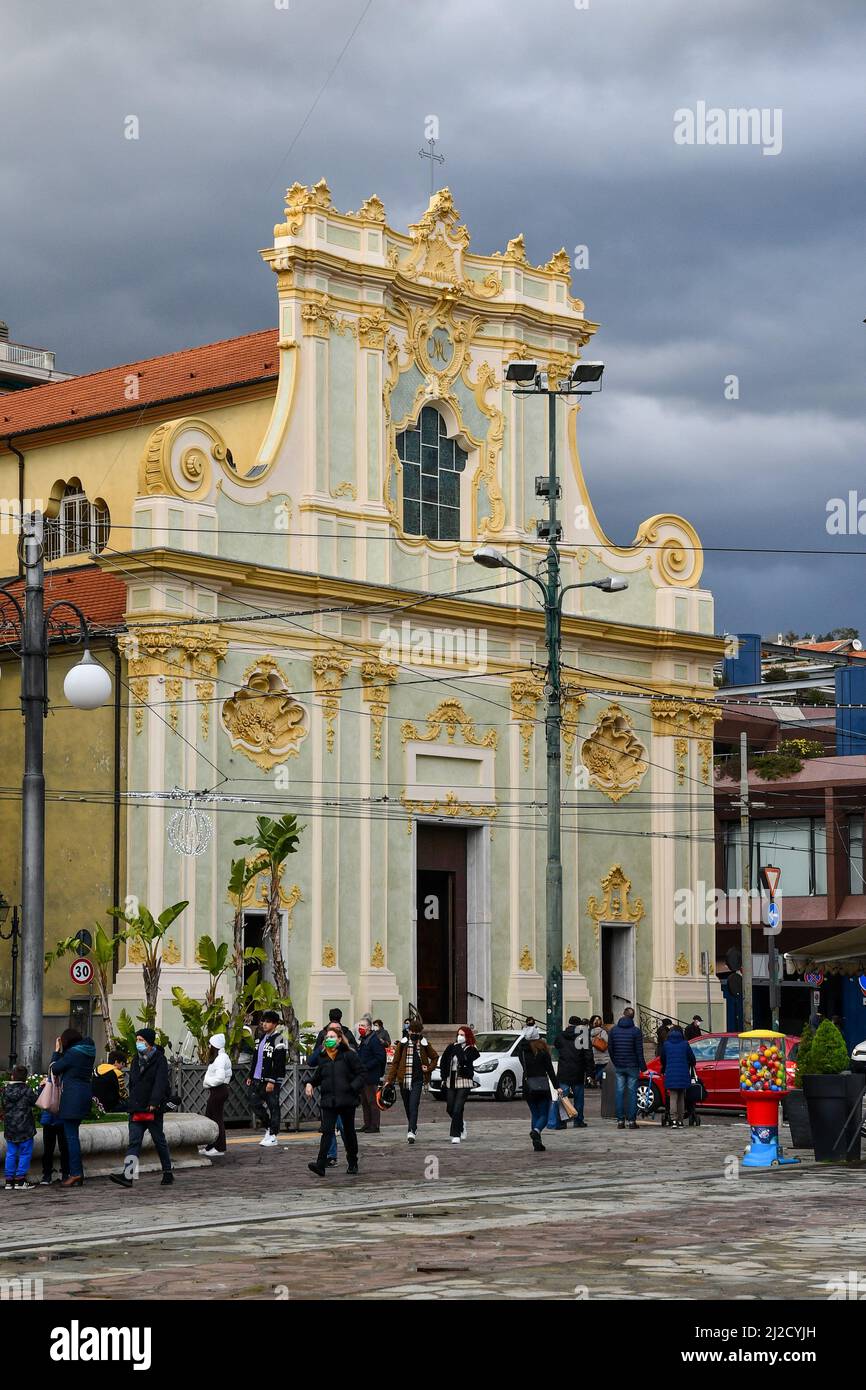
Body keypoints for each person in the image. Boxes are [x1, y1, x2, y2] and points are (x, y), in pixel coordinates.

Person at [110, 1028, 173, 1188]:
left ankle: (167, 1172)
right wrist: (131, 1103)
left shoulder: (160, 1060)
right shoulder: (136, 1060)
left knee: (159, 1140)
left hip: (153, 1108)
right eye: (137, 1039)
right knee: (134, 1142)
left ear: (149, 1043)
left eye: (141, 1040)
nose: (138, 1043)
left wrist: (154, 1102)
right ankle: (128, 1176)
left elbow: (160, 1082)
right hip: (136, 1107)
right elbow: (133, 1084)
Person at [304, 1023, 365, 1176]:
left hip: (347, 1100)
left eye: (332, 1037)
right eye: (327, 1037)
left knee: (348, 1132)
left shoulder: (349, 1055)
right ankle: (320, 1164)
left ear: (339, 1039)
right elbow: (318, 1076)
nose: (329, 1039)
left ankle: (352, 1161)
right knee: (327, 1131)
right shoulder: (323, 1057)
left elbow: (361, 1074)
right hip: (329, 1101)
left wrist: (352, 1087)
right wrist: (309, 1083)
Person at [49, 1029, 96, 1188]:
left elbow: (55, 1069)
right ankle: (76, 1172)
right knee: (72, 1134)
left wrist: (57, 1051)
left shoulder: (73, 1054)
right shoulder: (88, 1051)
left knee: (71, 1137)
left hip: (72, 1097)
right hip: (83, 1095)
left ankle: (75, 1173)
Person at [384, 1013, 438, 1142]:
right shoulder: (402, 1045)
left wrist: (429, 1068)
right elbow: (395, 1063)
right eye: (412, 1031)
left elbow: (435, 1057)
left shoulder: (425, 1044)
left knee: (414, 1104)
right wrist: (389, 1081)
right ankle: (412, 1124)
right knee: (408, 1105)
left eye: (416, 1031)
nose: (413, 1033)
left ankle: (411, 1130)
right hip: (404, 1080)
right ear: (408, 1031)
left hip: (418, 1080)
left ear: (420, 1032)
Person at [517, 1020, 561, 1152]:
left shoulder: (522, 1052)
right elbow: (550, 1071)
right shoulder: (542, 1051)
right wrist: (556, 1086)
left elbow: (521, 1047)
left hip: (528, 1085)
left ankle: (537, 1142)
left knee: (535, 1114)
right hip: (541, 1085)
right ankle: (536, 1131)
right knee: (544, 1115)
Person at [245, 1009, 286, 1146]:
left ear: (275, 1024)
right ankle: (268, 1127)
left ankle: (273, 1135)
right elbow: (255, 1058)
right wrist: (251, 1075)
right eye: (264, 1021)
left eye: (268, 1022)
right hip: (257, 1078)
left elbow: (279, 1062)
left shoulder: (279, 1039)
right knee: (253, 1102)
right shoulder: (261, 1038)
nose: (264, 1024)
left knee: (273, 1106)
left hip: (270, 1080)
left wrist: (272, 1081)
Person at [438, 1026, 480, 1143]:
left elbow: (464, 1060)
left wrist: (459, 1049)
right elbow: (444, 1061)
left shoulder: (472, 1049)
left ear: (467, 1036)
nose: (459, 1037)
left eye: (462, 1035)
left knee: (457, 1108)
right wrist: (443, 1076)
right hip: (451, 1080)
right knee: (450, 1108)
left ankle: (455, 1134)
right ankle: (461, 1124)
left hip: (464, 1081)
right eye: (458, 1034)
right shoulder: (452, 1046)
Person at [607, 1007, 646, 1130]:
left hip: (619, 1065)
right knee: (632, 1093)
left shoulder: (613, 1030)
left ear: (623, 1015)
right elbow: (639, 1051)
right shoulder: (636, 1031)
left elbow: (610, 1048)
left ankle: (620, 1120)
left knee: (619, 1092)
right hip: (633, 1065)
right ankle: (631, 1121)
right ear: (633, 1017)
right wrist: (643, 1067)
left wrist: (615, 1061)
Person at [552, 1016, 593, 1128]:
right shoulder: (583, 1035)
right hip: (578, 1070)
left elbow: (556, 1045)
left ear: (569, 1024)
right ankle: (578, 1120)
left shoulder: (561, 1035)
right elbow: (588, 1055)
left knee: (563, 1098)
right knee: (578, 1098)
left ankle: (562, 1121)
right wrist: (590, 1073)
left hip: (564, 1070)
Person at [2, 1065, 38, 1190]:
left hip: (10, 1127)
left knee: (11, 1153)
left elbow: (3, 1105)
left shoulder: (6, 1090)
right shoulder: (27, 1090)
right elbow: (36, 1102)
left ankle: (9, 1180)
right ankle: (20, 1180)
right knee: (25, 1153)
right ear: (26, 1078)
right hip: (25, 1127)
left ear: (12, 1076)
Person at [659, 1024, 697, 1128]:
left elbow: (662, 1058)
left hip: (671, 1073)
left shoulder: (666, 1044)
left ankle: (673, 1120)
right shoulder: (685, 1044)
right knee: (681, 1097)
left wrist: (665, 1066)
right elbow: (692, 1058)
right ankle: (680, 1120)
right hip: (683, 1073)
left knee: (673, 1097)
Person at [201, 1031, 232, 1157]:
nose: (208, 1047)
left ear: (215, 1046)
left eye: (210, 1045)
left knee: (216, 1119)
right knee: (211, 1116)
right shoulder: (223, 1057)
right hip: (220, 1090)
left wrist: (207, 1082)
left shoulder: (220, 1059)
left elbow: (220, 1078)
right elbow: (228, 1075)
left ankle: (218, 1147)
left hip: (218, 1090)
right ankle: (211, 1146)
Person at [357, 1019, 387, 1133]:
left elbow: (380, 1057)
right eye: (360, 1025)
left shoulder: (374, 1040)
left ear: (369, 1027)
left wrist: (367, 1066)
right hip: (363, 1075)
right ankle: (367, 1123)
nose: (361, 1027)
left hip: (371, 1075)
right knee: (364, 1101)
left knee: (372, 1101)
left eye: (363, 1025)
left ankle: (374, 1125)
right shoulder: (364, 1039)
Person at [589, 1014, 609, 1087]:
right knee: (604, 1070)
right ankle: (596, 1080)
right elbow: (607, 1041)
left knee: (598, 1069)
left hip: (595, 1054)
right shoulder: (602, 1032)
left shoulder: (591, 1032)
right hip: (604, 1054)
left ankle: (599, 1081)